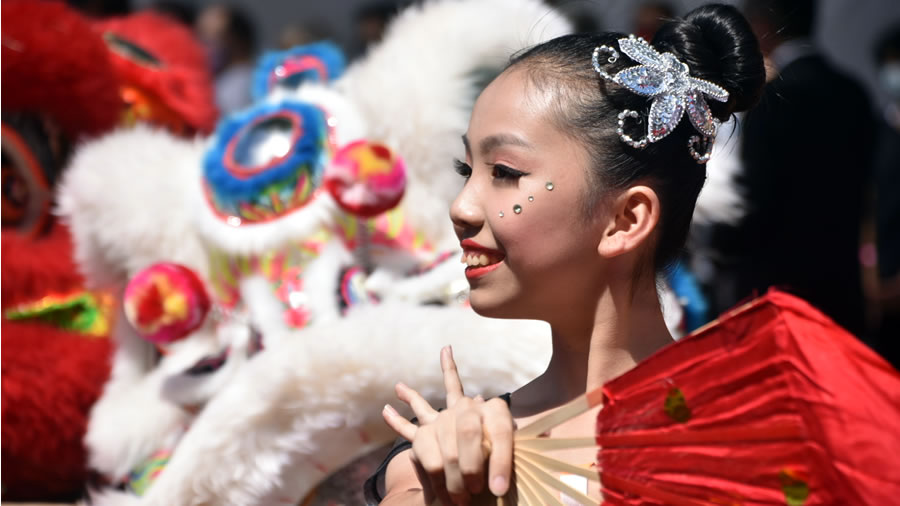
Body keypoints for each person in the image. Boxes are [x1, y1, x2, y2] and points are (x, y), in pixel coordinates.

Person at [364, 3, 765, 504]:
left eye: (506, 172)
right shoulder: (436, 470)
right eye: (468, 171)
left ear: (627, 219)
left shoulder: (752, 453)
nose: (461, 208)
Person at [727, 0, 875, 336]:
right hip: (842, 281)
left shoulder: (774, 99)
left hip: (780, 288)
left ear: (762, 26)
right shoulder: (854, 93)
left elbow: (756, 198)